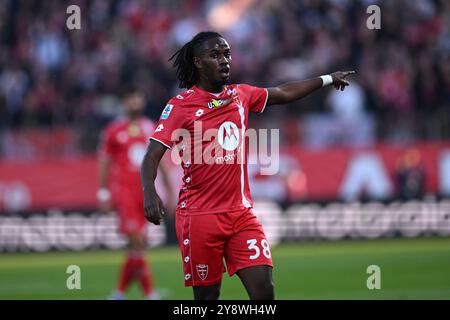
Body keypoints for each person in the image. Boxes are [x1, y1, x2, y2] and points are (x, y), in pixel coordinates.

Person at [140, 31, 355, 300]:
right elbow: (151, 155)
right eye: (215, 55)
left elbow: (283, 92)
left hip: (241, 215)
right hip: (200, 217)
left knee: (264, 292)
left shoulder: (241, 95)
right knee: (206, 299)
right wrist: (149, 192)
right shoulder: (180, 107)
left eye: (227, 54)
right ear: (197, 62)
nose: (224, 60)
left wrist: (327, 79)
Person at [97, 86, 174, 300]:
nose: (135, 103)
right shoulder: (113, 130)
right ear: (124, 102)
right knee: (137, 241)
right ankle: (149, 293)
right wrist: (103, 193)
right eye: (131, 99)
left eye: (138, 99)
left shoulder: (151, 127)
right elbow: (104, 162)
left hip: (146, 193)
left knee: (137, 247)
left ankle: (119, 292)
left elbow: (163, 162)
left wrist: (169, 191)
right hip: (124, 193)